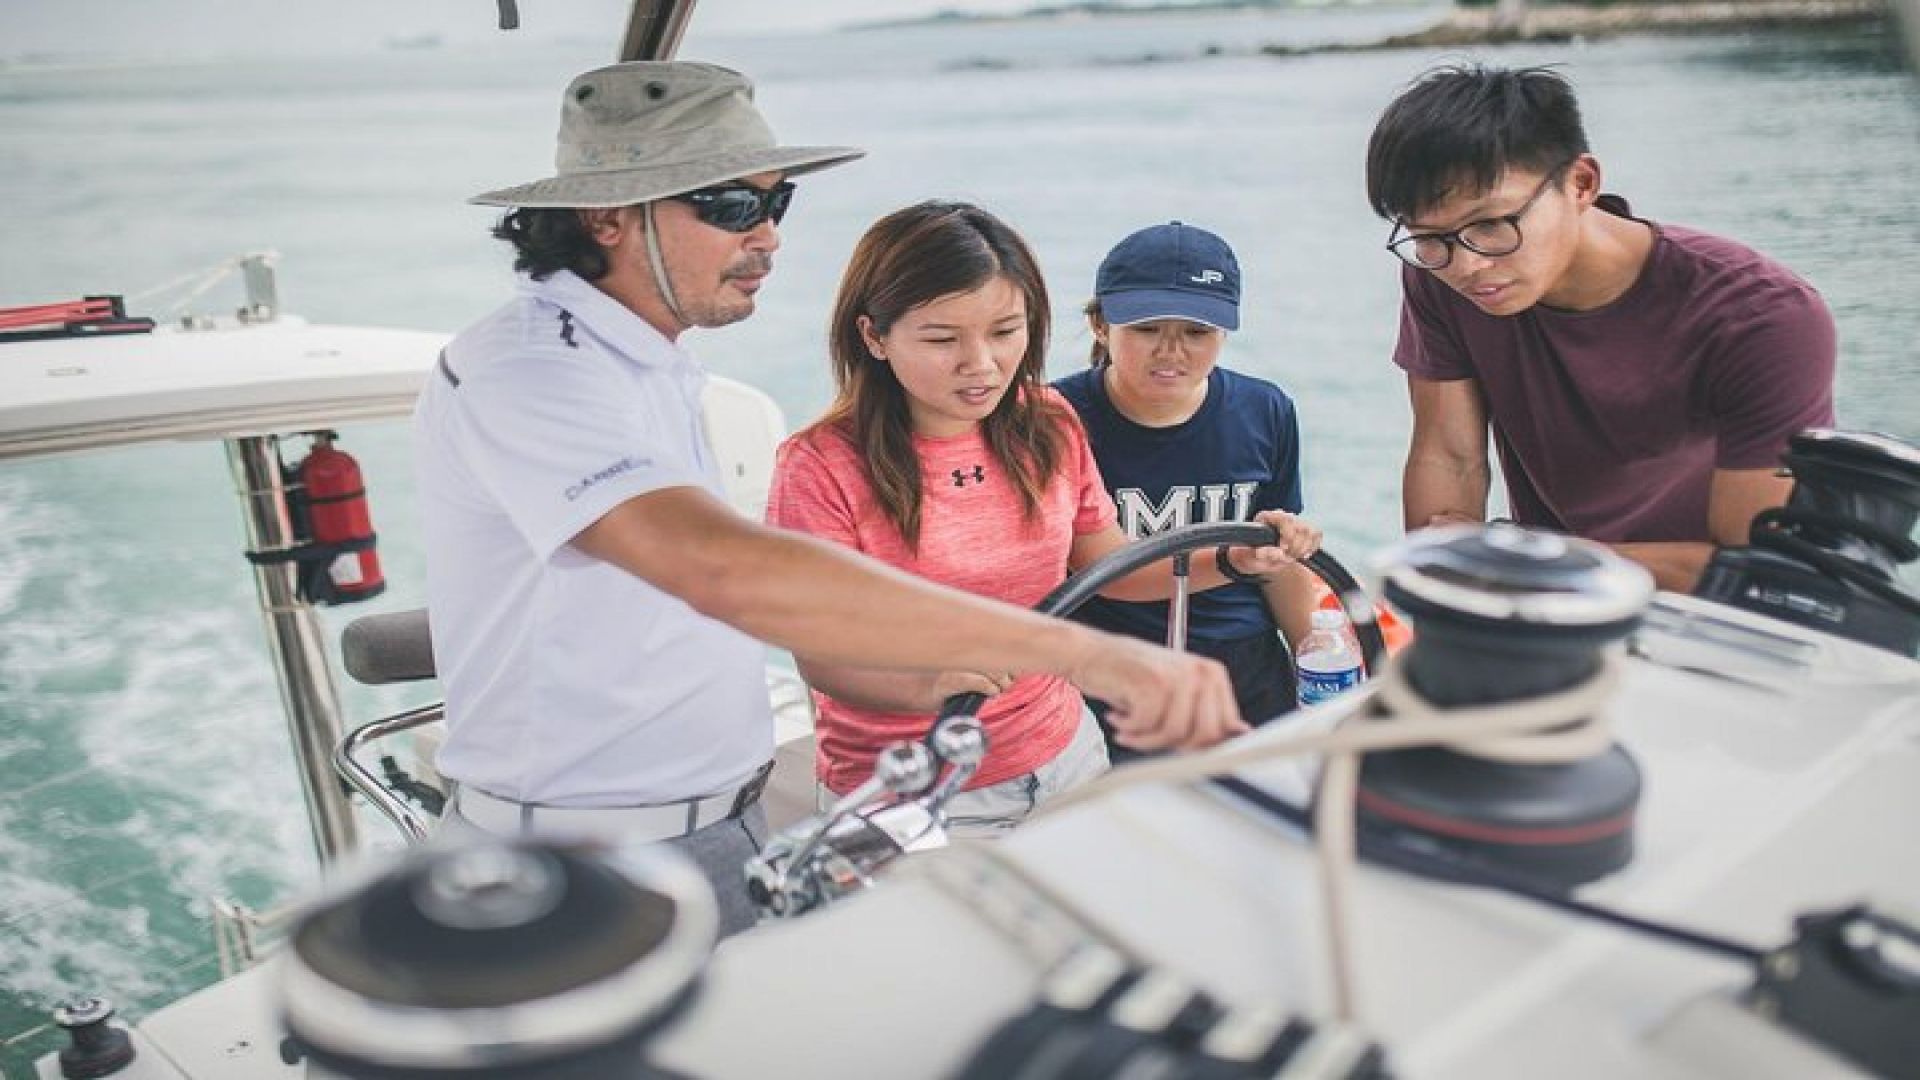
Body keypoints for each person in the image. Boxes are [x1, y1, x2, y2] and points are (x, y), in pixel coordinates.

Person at [413, 62, 1252, 937]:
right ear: (609, 216)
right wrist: (1092, 657)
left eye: (777, 204)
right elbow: (720, 567)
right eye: (733, 207)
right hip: (586, 861)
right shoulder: (533, 370)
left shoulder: (646, 363)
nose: (769, 236)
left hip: (724, 823)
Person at [766, 202, 1319, 834]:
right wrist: (932, 689)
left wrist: (1230, 560)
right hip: (914, 790)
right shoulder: (819, 466)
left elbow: (1111, 568)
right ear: (874, 336)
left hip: (1068, 758)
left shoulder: (1049, 422)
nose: (982, 363)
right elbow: (820, 653)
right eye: (943, 339)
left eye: (1005, 331)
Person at [1366, 64, 1836, 593]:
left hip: (1732, 624)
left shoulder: (1762, 315)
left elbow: (1747, 564)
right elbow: (1448, 457)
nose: (1466, 265)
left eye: (1491, 224)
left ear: (1581, 183)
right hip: (1555, 609)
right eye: (1429, 237)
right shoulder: (1443, 275)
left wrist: (1522, 556)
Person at [1055, 222, 1321, 737]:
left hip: (1243, 658)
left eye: (1197, 333)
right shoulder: (1055, 418)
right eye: (1147, 328)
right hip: (1106, 665)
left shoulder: (1266, 409)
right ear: (1100, 324)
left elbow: (1279, 566)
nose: (1171, 351)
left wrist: (1314, 653)